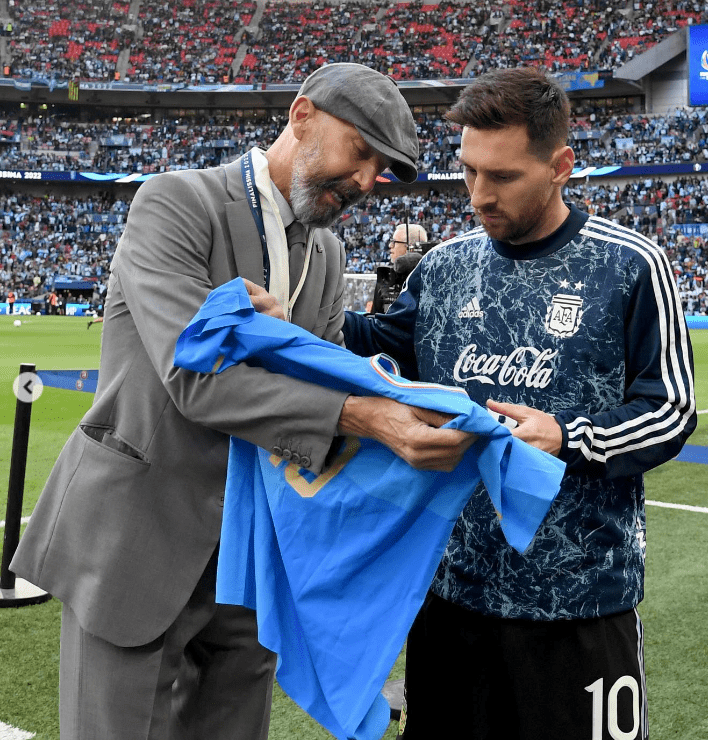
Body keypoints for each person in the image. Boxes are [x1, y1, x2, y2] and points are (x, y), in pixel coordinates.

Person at [11, 63, 474, 740]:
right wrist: (363, 416)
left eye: (381, 169)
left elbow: (326, 378)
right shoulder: (174, 202)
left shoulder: (328, 253)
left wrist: (433, 414)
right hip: (139, 540)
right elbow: (192, 377)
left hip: (255, 566)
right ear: (302, 116)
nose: (366, 180)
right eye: (361, 151)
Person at [342, 68, 697, 739]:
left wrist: (569, 438)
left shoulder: (630, 265)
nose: (479, 194)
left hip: (580, 603)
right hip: (451, 599)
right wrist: (295, 312)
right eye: (469, 171)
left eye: (502, 176)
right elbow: (375, 348)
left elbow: (672, 410)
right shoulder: (443, 267)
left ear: (561, 166)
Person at [369, 221, 428, 313]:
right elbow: (376, 316)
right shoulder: (387, 277)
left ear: (410, 247)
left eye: (394, 242)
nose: (390, 245)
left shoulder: (429, 277)